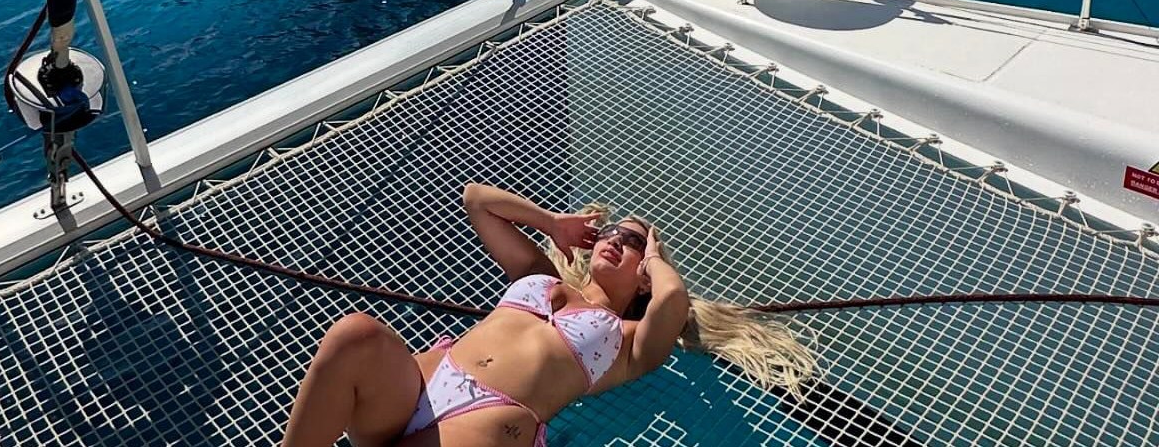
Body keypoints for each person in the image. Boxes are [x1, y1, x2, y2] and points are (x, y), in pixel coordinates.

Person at [281, 182, 817, 446]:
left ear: (645, 277)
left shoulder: (630, 340)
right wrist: (551, 223)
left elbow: (673, 304)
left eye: (631, 242)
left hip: (491, 422)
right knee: (356, 333)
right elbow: (476, 201)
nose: (615, 240)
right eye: (612, 232)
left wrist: (656, 261)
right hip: (418, 386)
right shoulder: (540, 276)